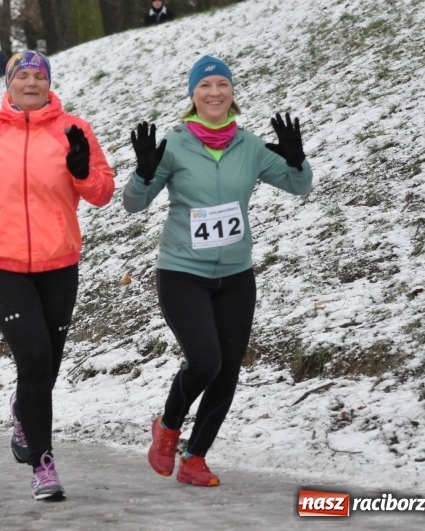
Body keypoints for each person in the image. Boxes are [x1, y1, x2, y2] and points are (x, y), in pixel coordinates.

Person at [123, 55, 312, 487]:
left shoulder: (250, 147)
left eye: (222, 85)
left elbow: (300, 187)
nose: (214, 93)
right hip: (182, 272)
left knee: (227, 370)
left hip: (236, 276)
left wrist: (298, 161)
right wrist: (143, 172)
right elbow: (134, 204)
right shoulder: (173, 144)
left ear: (232, 94)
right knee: (205, 361)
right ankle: (168, 426)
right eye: (205, 85)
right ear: (192, 96)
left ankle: (195, 459)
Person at [0, 50, 114, 501]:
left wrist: (82, 170)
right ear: (8, 84)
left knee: (47, 366)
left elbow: (101, 192)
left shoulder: (74, 130)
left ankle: (24, 411)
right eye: (21, 75)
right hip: (2, 266)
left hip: (58, 263)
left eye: (38, 76)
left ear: (48, 83)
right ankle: (43, 463)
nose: (30, 83)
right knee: (35, 359)